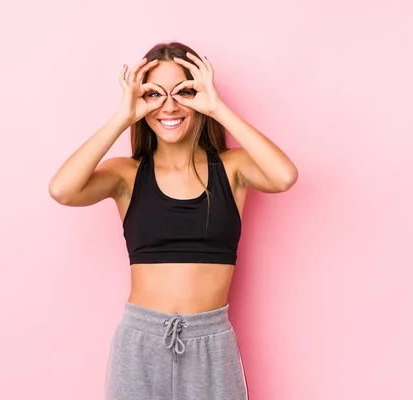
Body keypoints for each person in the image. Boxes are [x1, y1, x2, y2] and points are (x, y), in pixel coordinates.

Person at [48, 41, 298, 400]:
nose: (169, 105)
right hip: (141, 341)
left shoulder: (232, 169)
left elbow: (284, 176)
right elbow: (62, 190)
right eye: (154, 94)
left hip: (211, 341)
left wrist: (218, 108)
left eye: (184, 92)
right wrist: (122, 116)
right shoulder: (127, 175)